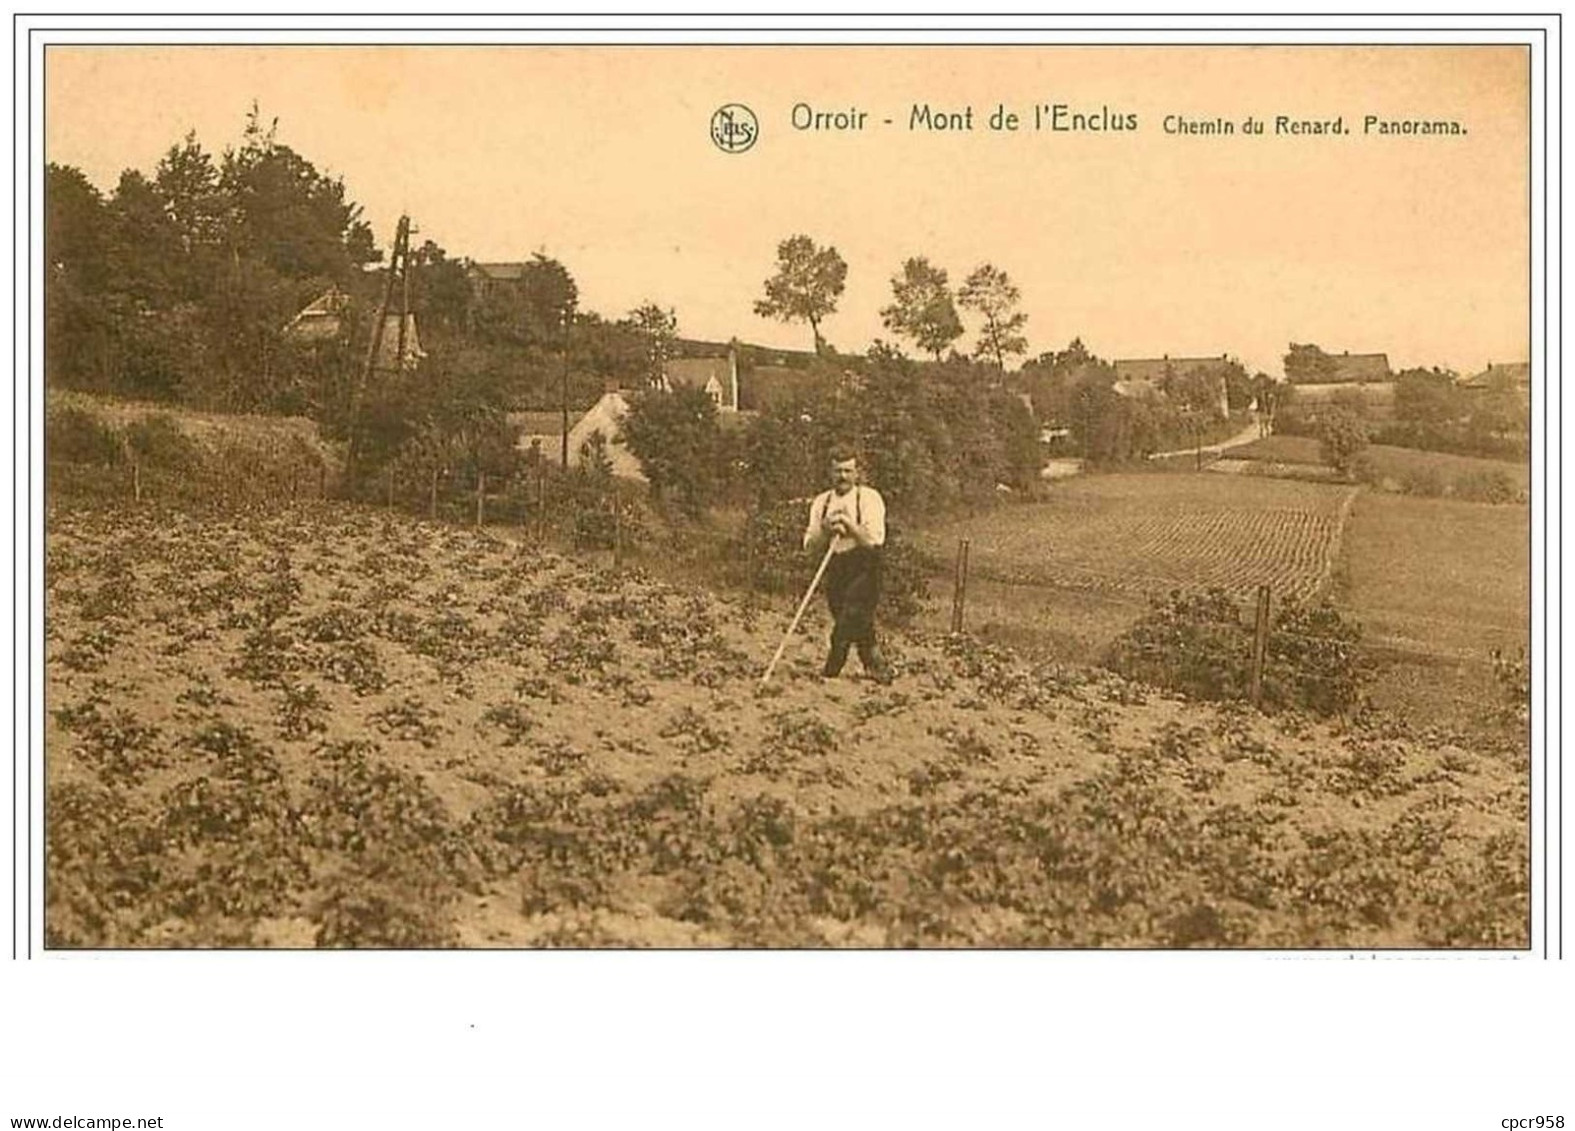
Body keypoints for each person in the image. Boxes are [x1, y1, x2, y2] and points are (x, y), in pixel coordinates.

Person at [803, 450, 893, 682]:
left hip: (865, 567)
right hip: (836, 567)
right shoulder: (822, 503)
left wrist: (848, 525)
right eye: (837, 471)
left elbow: (874, 540)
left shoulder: (869, 498)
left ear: (857, 473)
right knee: (856, 621)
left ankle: (831, 670)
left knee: (849, 618)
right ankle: (878, 667)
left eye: (847, 470)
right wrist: (826, 528)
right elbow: (810, 545)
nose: (842, 476)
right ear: (830, 472)